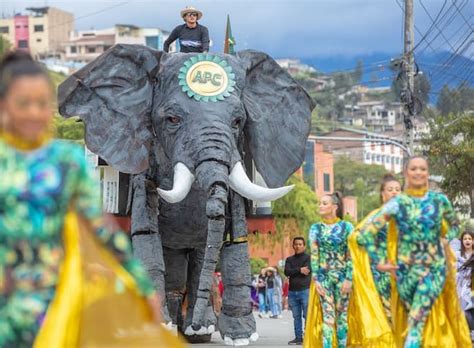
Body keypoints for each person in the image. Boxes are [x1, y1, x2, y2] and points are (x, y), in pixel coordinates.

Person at [0, 51, 182, 347]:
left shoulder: (66, 161)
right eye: (23, 103)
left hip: (53, 303)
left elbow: (102, 228)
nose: (34, 112)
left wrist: (141, 284)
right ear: (3, 106)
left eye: (42, 103)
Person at [358, 156, 471, 347]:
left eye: (422, 169)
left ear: (427, 172)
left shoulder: (439, 200)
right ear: (406, 173)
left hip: (433, 270)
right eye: (413, 169)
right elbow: (364, 235)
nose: (418, 172)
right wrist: (380, 262)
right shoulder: (397, 203)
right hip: (405, 274)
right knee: (417, 323)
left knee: (416, 322)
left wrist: (444, 239)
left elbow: (455, 226)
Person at [306, 192, 353, 348]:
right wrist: (317, 280)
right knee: (328, 318)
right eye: (320, 203)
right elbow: (314, 256)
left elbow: (352, 255)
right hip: (324, 279)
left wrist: (349, 278)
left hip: (343, 278)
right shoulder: (315, 229)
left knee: (342, 318)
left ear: (335, 206)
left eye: (324, 203)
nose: (320, 205)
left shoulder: (347, 227)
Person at [284, 237, 311, 345]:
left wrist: (293, 271)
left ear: (304, 246)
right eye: (296, 244)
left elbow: (308, 270)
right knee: (296, 316)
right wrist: (299, 270)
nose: (298, 246)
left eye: (300, 244)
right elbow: (286, 272)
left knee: (307, 315)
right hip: (292, 292)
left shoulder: (308, 258)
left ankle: (308, 337)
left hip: (305, 290)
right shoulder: (289, 259)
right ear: (293, 246)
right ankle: (298, 338)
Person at [456, 228, 474, 330]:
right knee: (463, 312)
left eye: (470, 239)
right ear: (462, 241)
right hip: (461, 288)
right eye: (465, 239)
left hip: (472, 287)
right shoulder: (457, 255)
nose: (467, 241)